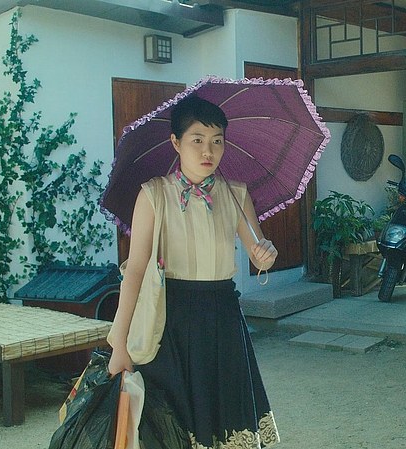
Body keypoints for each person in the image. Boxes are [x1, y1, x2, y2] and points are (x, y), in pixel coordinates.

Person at [107, 96, 280, 448]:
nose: (208, 151)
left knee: (226, 419)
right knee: (173, 424)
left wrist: (267, 254)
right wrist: (119, 343)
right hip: (169, 319)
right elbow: (135, 270)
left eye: (217, 141)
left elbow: (258, 254)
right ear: (176, 142)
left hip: (223, 317)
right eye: (197, 140)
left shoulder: (236, 194)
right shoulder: (154, 195)